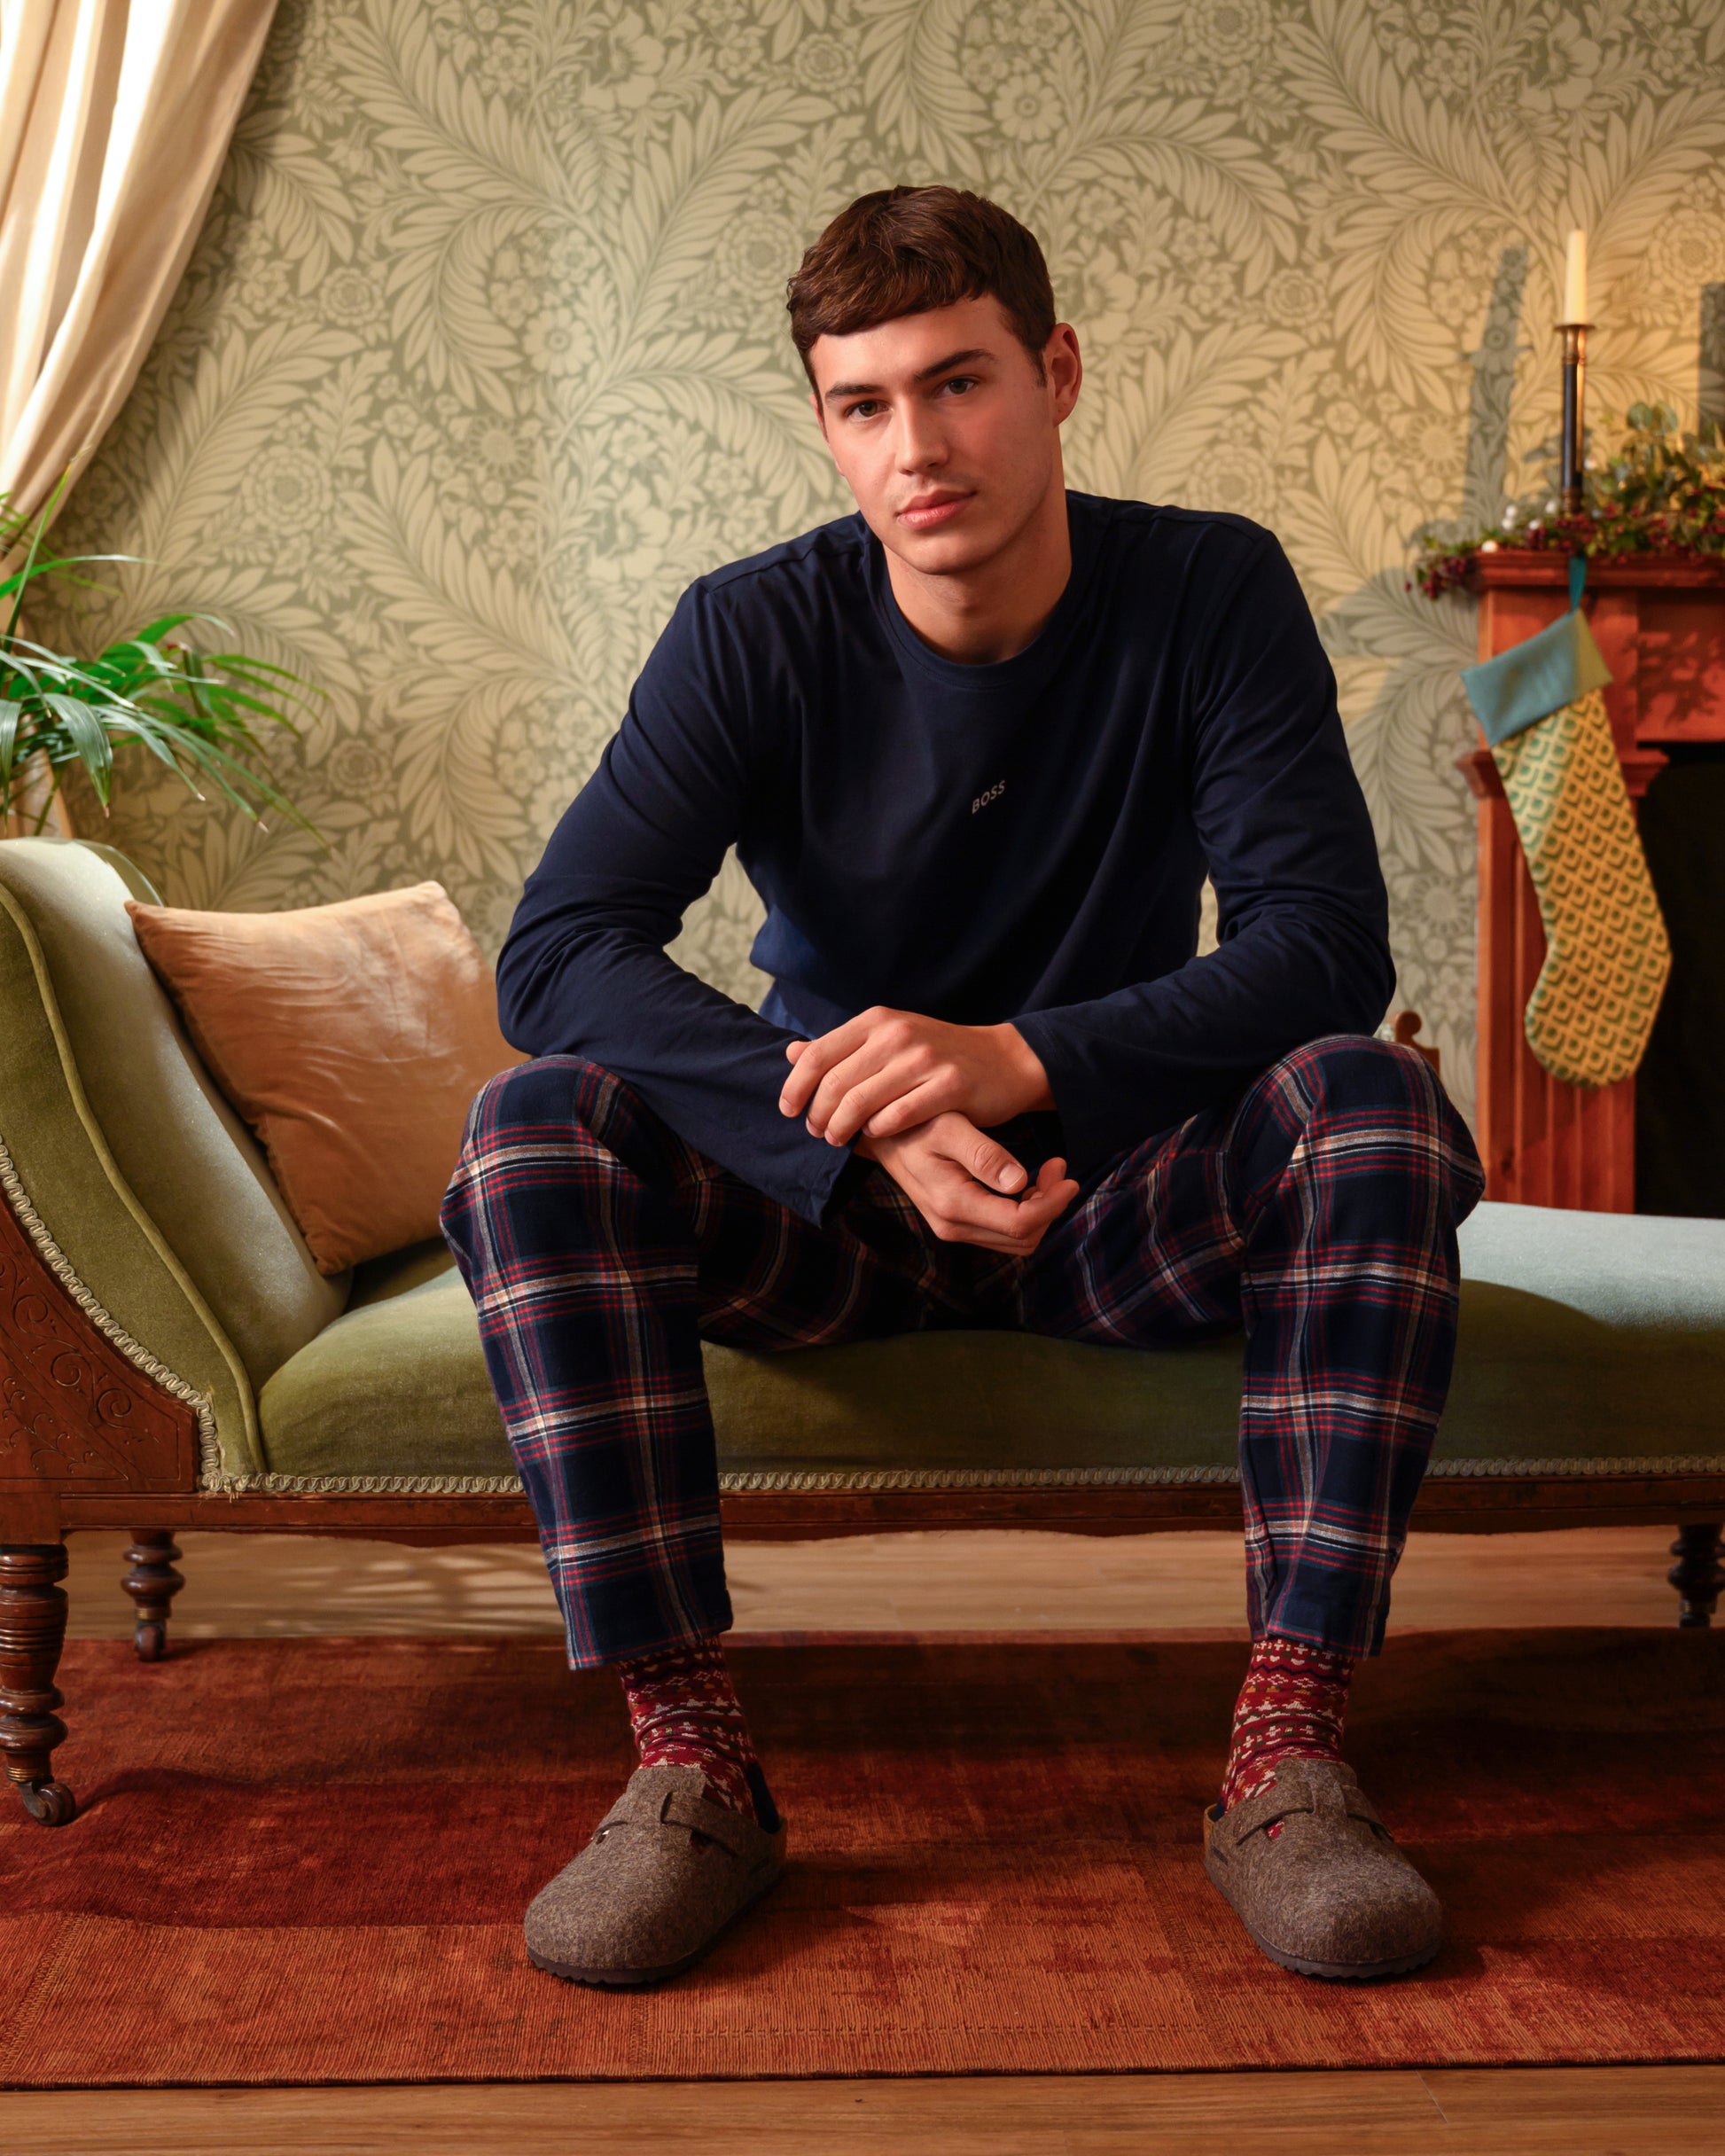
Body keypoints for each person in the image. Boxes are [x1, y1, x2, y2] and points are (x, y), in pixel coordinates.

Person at [441, 184, 1485, 1989]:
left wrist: (1012, 1060)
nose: (917, 446)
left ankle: (1286, 1755)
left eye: (959, 383)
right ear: (827, 427)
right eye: (864, 405)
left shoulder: (1204, 587)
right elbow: (558, 951)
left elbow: (1324, 945)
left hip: (1120, 1198)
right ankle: (691, 1763)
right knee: (530, 1126)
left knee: (1372, 1101)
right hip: (834, 1213)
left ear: (1055, 372)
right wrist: (847, 1123)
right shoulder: (748, 630)